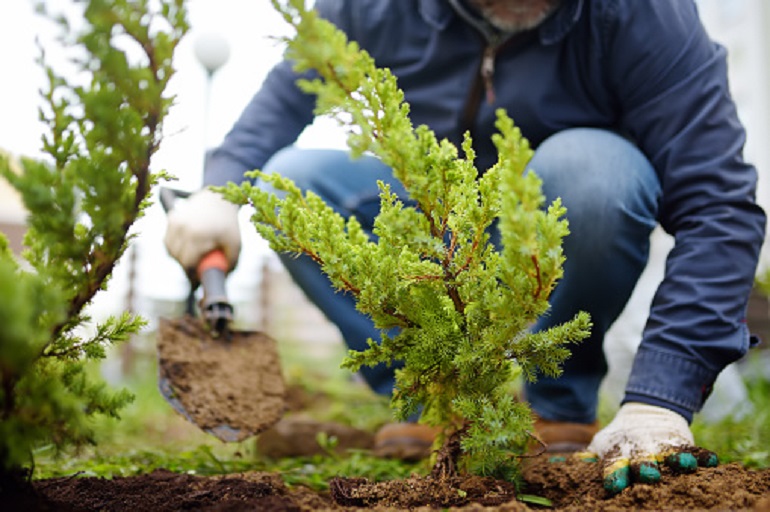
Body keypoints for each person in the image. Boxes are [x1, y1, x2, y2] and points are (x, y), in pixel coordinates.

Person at [164, 0, 766, 493]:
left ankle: (559, 398)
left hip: (561, 221)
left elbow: (718, 204)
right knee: (285, 183)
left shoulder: (644, 15)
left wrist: (660, 399)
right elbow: (284, 99)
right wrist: (220, 189)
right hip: (439, 220)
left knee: (593, 172)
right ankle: (433, 395)